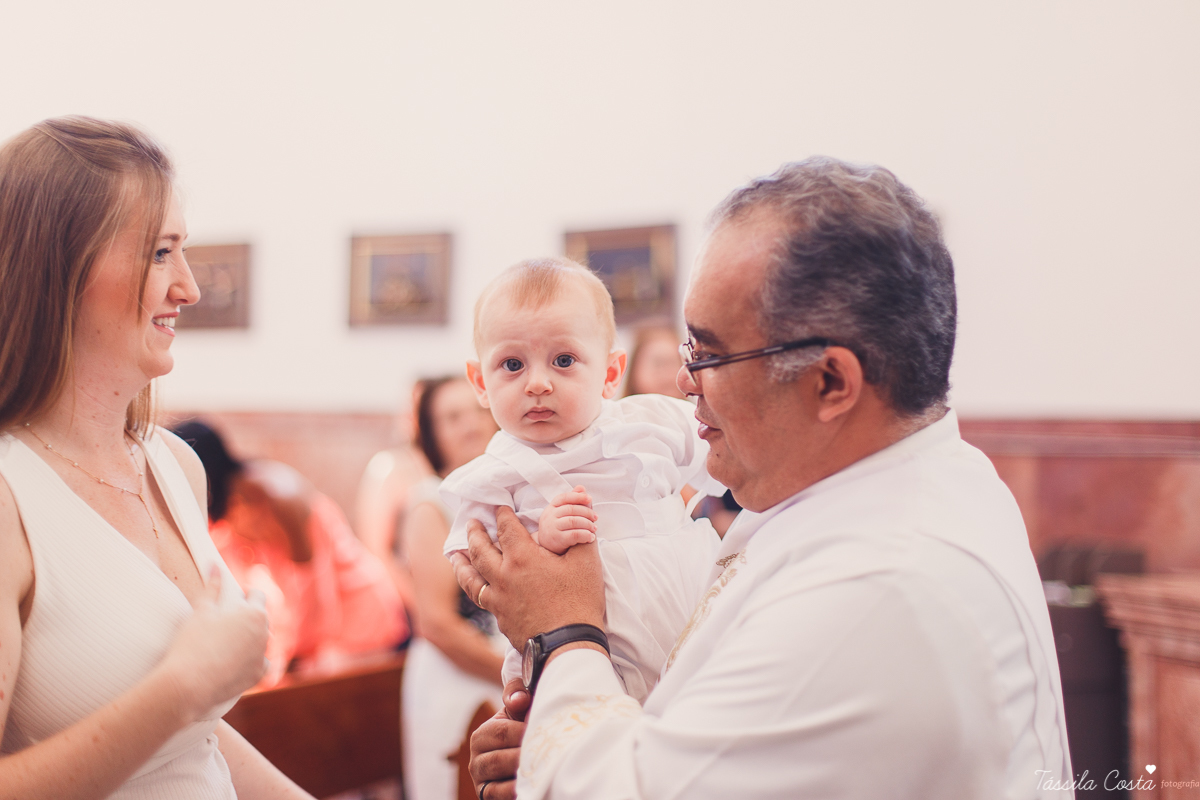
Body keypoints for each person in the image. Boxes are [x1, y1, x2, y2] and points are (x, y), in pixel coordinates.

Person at [457, 158, 1073, 799]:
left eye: (711, 352)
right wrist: (553, 739)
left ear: (830, 382)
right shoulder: (902, 481)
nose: (682, 380)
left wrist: (562, 634)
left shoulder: (874, 592)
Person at [0, 117, 312, 798]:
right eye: (161, 252)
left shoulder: (174, 464)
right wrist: (185, 684)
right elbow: (177, 704)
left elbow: (191, 744)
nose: (190, 288)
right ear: (62, 266)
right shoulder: (9, 495)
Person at [441, 257, 724, 704]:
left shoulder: (649, 422)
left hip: (689, 609)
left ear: (610, 373)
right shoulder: (495, 476)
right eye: (512, 364)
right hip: (589, 645)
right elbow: (484, 571)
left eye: (564, 360)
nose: (537, 383)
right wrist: (541, 543)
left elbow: (732, 465)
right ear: (480, 381)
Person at [172, 420, 408, 683]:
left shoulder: (279, 496)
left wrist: (285, 661)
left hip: (359, 624)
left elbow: (314, 595)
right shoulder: (221, 511)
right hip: (316, 635)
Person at [401, 376, 506, 800]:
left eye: (478, 410)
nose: (470, 424)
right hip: (455, 679)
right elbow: (437, 624)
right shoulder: (430, 502)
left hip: (506, 671)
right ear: (432, 434)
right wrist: (515, 674)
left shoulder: (511, 492)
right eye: (452, 416)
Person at [353, 383, 432, 613]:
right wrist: (425, 611)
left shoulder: (457, 466)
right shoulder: (389, 468)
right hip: (403, 601)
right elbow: (377, 552)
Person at [622, 324, 687, 399]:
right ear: (634, 369)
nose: (668, 373)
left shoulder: (692, 409)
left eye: (675, 363)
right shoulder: (619, 410)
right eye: (659, 364)